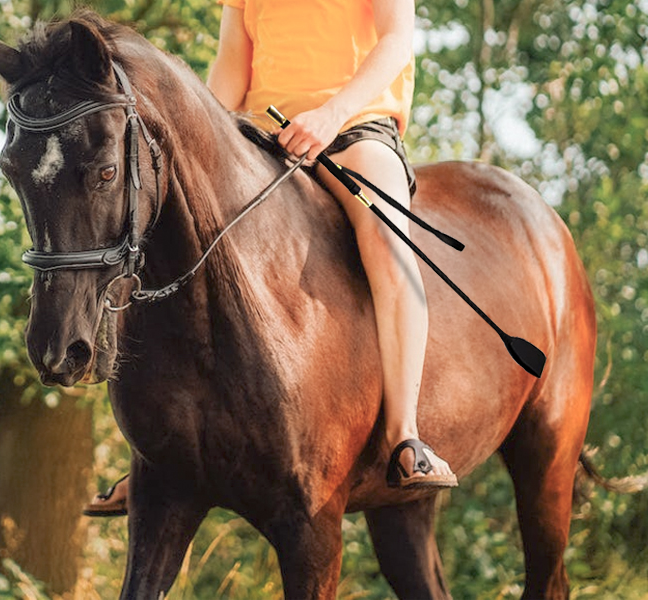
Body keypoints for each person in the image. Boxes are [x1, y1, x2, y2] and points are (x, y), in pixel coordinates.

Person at [84, 0, 456, 518]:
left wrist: (331, 114)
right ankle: (152, 454)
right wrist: (190, 143)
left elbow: (395, 42)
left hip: (353, 130)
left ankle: (405, 435)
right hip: (258, 138)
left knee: (391, 246)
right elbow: (233, 63)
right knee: (161, 248)